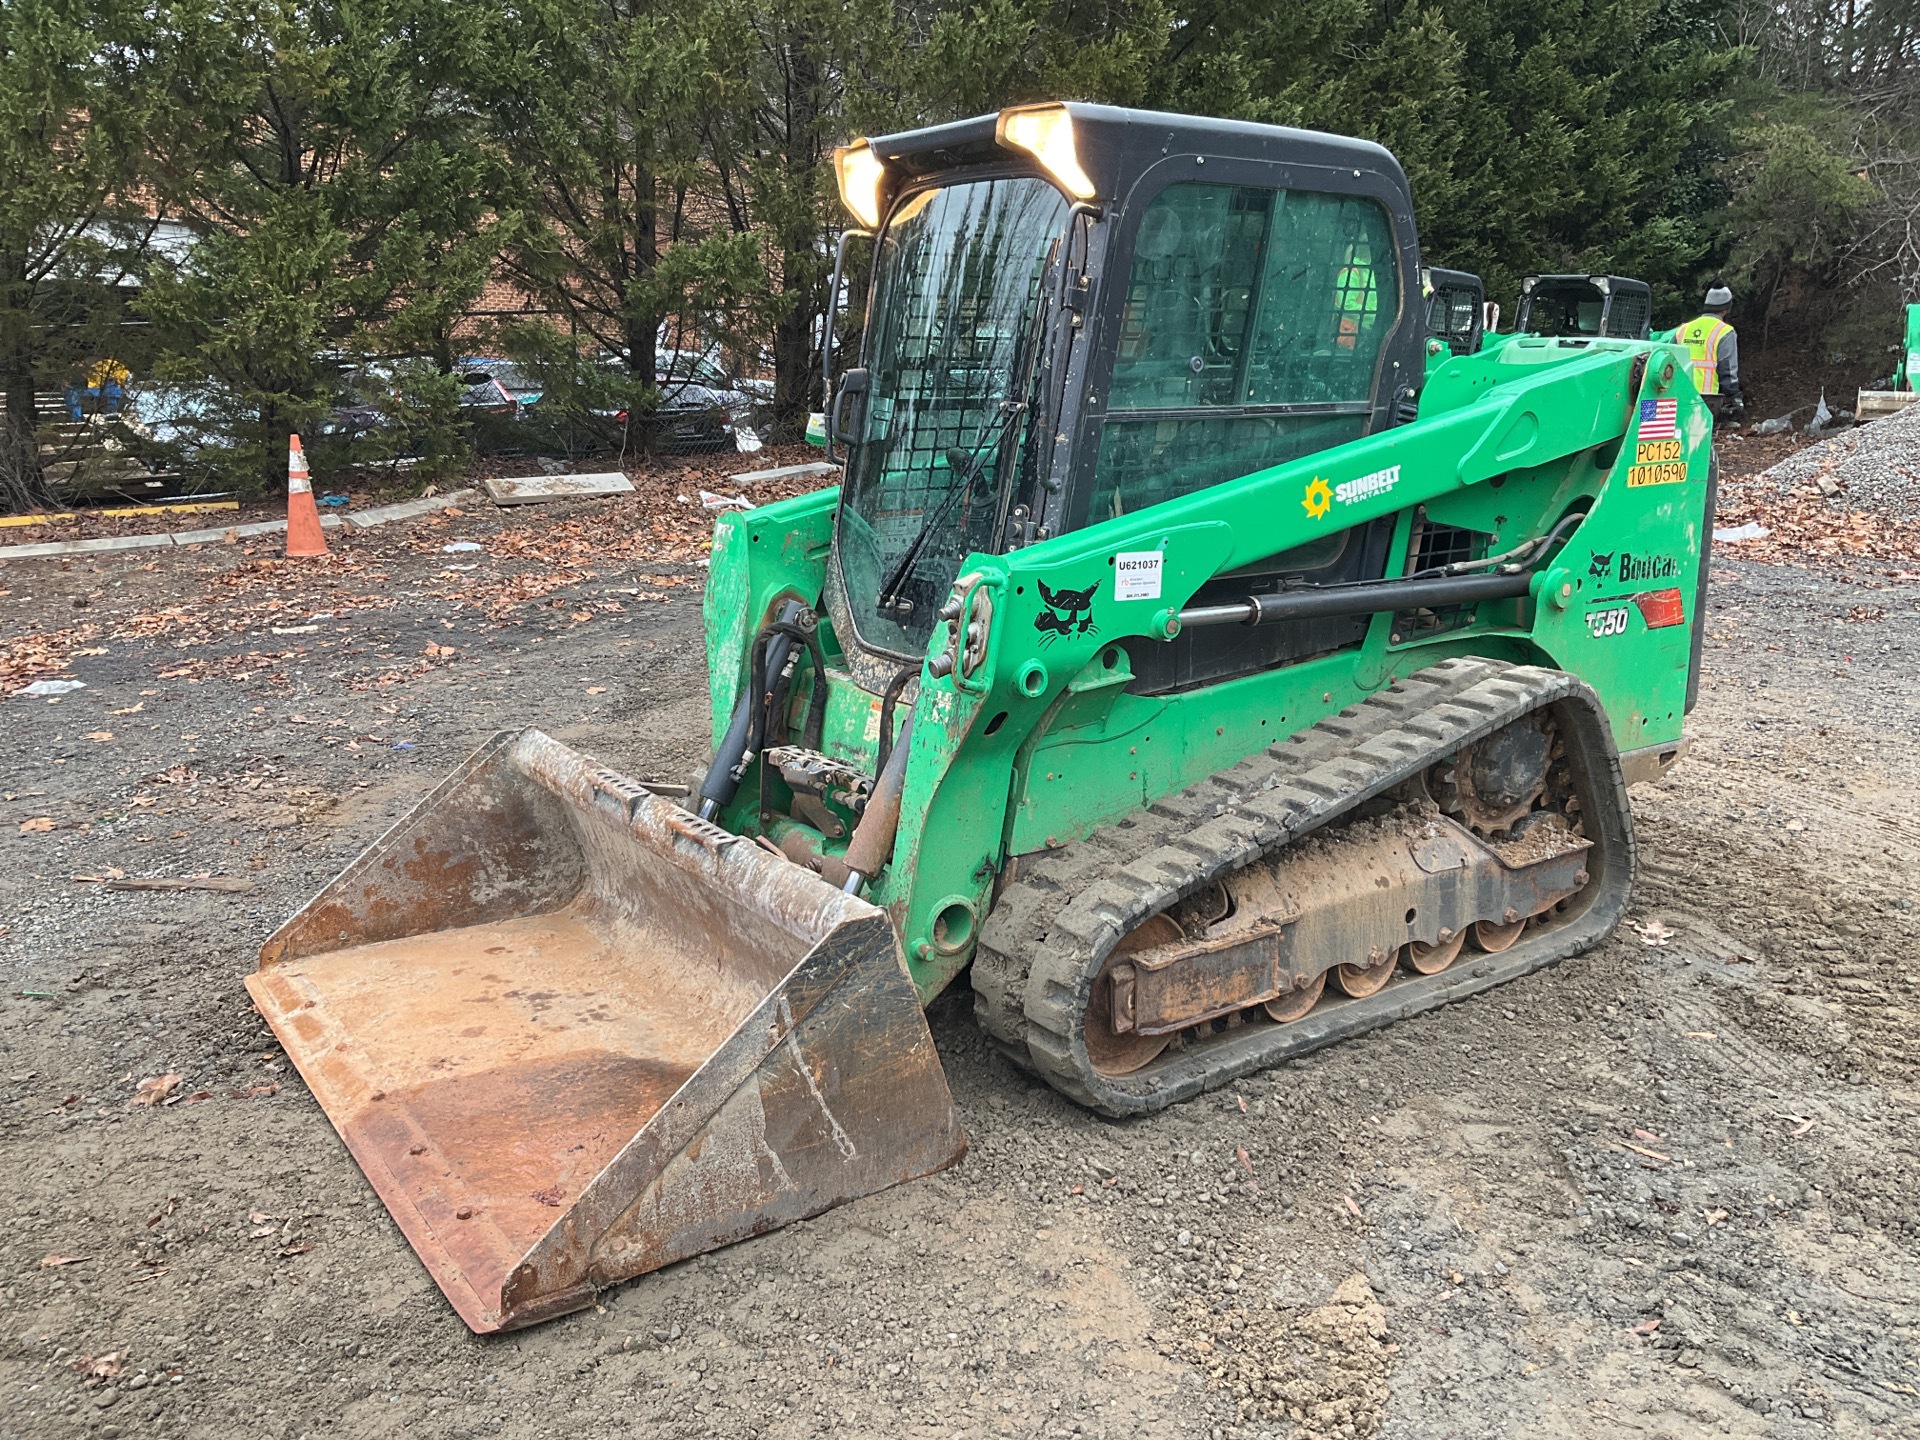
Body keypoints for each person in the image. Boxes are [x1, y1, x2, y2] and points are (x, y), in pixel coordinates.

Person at [1676, 285, 1743, 423]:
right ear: (1726, 309)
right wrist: (1733, 397)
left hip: (1679, 393)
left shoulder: (1683, 329)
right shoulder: (1724, 331)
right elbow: (1727, 369)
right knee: (1703, 438)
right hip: (1707, 399)